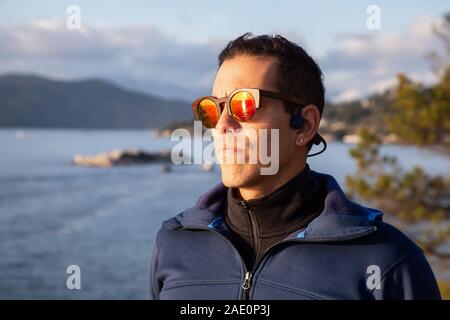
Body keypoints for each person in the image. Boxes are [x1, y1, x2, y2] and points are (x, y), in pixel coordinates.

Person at [149, 33, 441, 300]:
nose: (223, 125)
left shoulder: (386, 259)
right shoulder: (175, 243)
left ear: (305, 125)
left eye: (244, 105)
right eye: (212, 110)